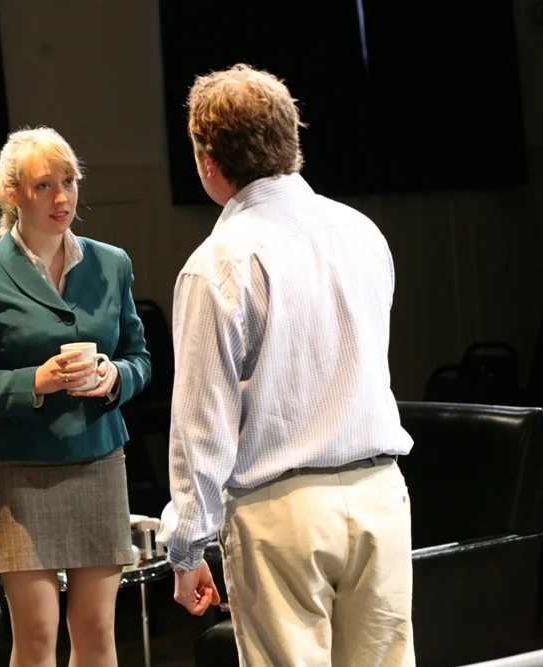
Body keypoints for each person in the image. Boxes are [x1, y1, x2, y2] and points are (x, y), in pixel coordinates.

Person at [156, 64, 415, 666]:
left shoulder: (217, 263)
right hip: (379, 495)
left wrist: (186, 547)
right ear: (291, 140)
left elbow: (201, 426)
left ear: (207, 160)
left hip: (282, 513)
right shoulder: (363, 232)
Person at [0, 126, 152, 667]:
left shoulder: (112, 263)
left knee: (97, 632)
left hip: (98, 460)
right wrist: (33, 381)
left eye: (69, 182)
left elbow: (140, 358)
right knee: (36, 637)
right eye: (43, 186)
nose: (62, 198)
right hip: (18, 471)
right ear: (11, 194)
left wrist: (115, 376)